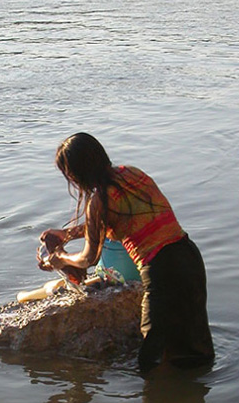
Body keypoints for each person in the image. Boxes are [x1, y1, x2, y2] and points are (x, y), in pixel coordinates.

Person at [38, 132, 214, 371]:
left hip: (160, 269)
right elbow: (117, 219)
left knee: (151, 357)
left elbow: (89, 258)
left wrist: (60, 259)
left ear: (76, 172)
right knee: (194, 346)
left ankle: (159, 402)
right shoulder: (131, 174)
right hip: (188, 256)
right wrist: (67, 233)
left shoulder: (99, 200)